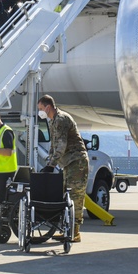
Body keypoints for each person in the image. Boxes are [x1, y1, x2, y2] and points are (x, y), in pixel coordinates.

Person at [38, 94, 89, 242]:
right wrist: (49, 163)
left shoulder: (61, 119)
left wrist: (51, 165)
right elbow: (54, 146)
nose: (40, 112)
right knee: (66, 196)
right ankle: (69, 230)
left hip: (76, 161)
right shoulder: (53, 121)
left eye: (41, 108)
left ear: (48, 107)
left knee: (75, 196)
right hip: (68, 163)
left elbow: (61, 145)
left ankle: (75, 232)